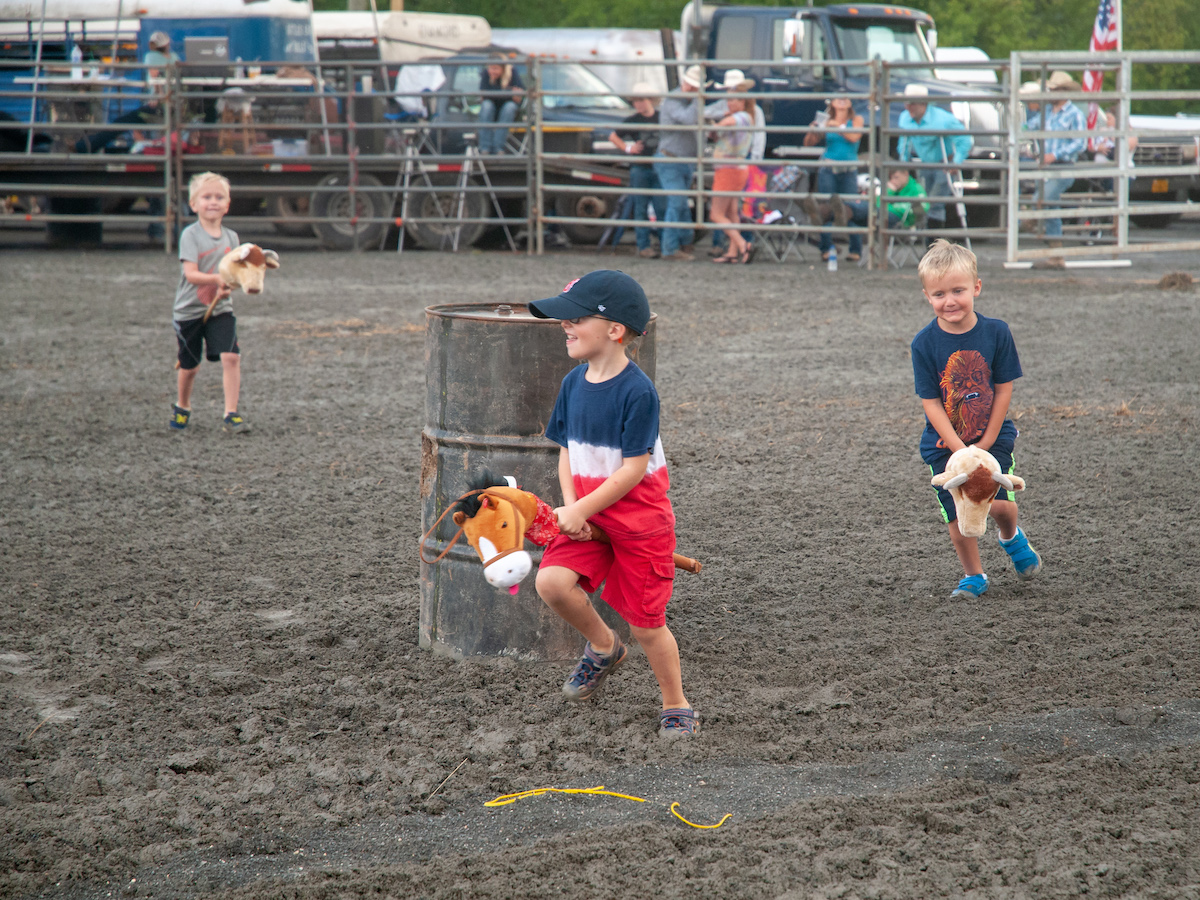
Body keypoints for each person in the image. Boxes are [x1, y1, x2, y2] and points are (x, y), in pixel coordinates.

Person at [528, 270, 697, 739]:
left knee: (646, 624)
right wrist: (571, 508)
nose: (564, 326)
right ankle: (603, 646)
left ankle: (676, 703)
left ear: (615, 330)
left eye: (575, 318)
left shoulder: (637, 392)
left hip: (639, 523)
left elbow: (632, 469)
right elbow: (565, 451)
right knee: (552, 583)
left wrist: (581, 510)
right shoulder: (572, 384)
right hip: (587, 515)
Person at [910, 240, 1042, 599]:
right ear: (927, 296)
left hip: (993, 439)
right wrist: (959, 452)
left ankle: (1011, 537)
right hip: (944, 446)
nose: (949, 300)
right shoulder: (923, 344)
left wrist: (984, 445)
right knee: (959, 512)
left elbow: (1003, 389)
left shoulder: (997, 333)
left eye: (958, 290)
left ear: (976, 288)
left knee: (999, 505)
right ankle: (974, 576)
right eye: (939, 294)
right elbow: (932, 404)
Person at [170, 172, 251, 435]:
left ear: (227, 204)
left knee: (231, 357)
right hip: (190, 310)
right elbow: (191, 274)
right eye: (206, 197)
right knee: (190, 367)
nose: (213, 202)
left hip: (220, 309)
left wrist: (231, 285)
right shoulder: (190, 236)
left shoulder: (232, 239)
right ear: (194, 204)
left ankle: (231, 413)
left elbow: (235, 274)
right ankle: (182, 406)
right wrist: (217, 278)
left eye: (219, 197)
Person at [1020, 71, 1088, 266]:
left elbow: (1080, 143)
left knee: (1042, 199)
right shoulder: (1047, 112)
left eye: (1054, 90)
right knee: (1051, 207)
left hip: (1063, 166)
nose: (1050, 93)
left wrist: (1055, 155)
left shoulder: (1075, 114)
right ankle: (1056, 255)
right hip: (1047, 168)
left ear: (1065, 91)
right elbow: (1029, 127)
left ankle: (1029, 221)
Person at [895, 84, 973, 239]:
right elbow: (903, 142)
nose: (908, 106)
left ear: (923, 103)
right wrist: (903, 164)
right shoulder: (905, 118)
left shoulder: (943, 119)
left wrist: (955, 162)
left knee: (934, 203)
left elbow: (965, 139)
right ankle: (928, 239)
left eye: (912, 103)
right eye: (906, 103)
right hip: (924, 165)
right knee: (923, 201)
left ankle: (933, 244)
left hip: (942, 164)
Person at [802, 88, 865, 262]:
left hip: (848, 169)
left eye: (845, 98)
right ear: (832, 103)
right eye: (838, 98)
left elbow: (854, 137)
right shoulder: (825, 119)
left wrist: (837, 126)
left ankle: (856, 249)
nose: (842, 100)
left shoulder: (856, 120)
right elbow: (809, 143)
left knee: (852, 208)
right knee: (827, 208)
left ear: (850, 102)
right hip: (828, 168)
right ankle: (827, 248)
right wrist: (813, 130)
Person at [653, 64, 708, 261]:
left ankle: (685, 242)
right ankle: (670, 249)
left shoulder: (684, 101)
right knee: (677, 203)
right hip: (671, 160)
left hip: (682, 160)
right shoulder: (674, 100)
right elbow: (688, 119)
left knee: (682, 204)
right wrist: (697, 99)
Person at [609, 83, 664, 259]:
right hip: (640, 168)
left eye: (641, 100)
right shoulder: (633, 120)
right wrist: (627, 148)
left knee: (661, 207)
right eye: (636, 101)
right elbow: (613, 136)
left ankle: (664, 245)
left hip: (659, 167)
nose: (638, 104)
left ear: (651, 100)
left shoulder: (662, 117)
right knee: (641, 208)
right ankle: (644, 246)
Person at [707, 75, 756, 264]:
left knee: (716, 214)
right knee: (731, 212)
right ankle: (733, 252)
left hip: (729, 170)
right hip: (735, 169)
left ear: (742, 101)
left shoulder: (739, 117)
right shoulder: (747, 117)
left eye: (732, 99)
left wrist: (715, 125)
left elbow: (727, 123)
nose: (729, 103)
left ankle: (743, 245)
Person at [141, 32, 180, 241]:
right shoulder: (167, 58)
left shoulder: (158, 57)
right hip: (168, 104)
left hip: (167, 104)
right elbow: (156, 76)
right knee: (168, 167)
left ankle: (159, 227)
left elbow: (156, 76)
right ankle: (165, 227)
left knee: (162, 169)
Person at [477, 55, 524, 154]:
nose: (492, 71)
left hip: (506, 110)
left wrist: (494, 93)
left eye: (495, 68)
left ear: (503, 68)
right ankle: (485, 148)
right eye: (490, 68)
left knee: (509, 107)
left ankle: (498, 148)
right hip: (491, 109)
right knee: (486, 106)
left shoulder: (512, 72)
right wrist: (508, 93)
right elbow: (483, 95)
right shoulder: (486, 74)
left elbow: (519, 94)